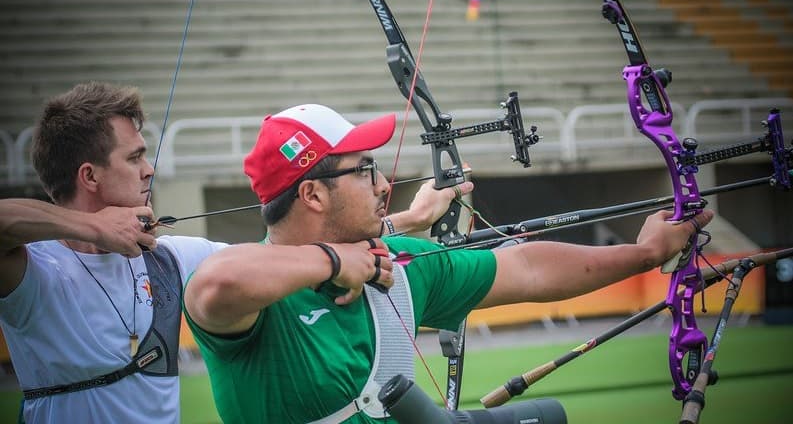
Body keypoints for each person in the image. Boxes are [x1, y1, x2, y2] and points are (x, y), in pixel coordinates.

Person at [183, 103, 714, 423]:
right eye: (365, 169)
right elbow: (216, 283)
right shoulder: (252, 298)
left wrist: (645, 254)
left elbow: (527, 269)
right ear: (314, 196)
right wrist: (332, 263)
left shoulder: (396, 264)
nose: (384, 183)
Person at [0, 83, 465, 424]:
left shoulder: (167, 256)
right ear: (90, 175)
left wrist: (402, 221)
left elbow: (282, 253)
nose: (149, 169)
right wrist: (92, 228)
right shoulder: (35, 269)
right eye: (134, 157)